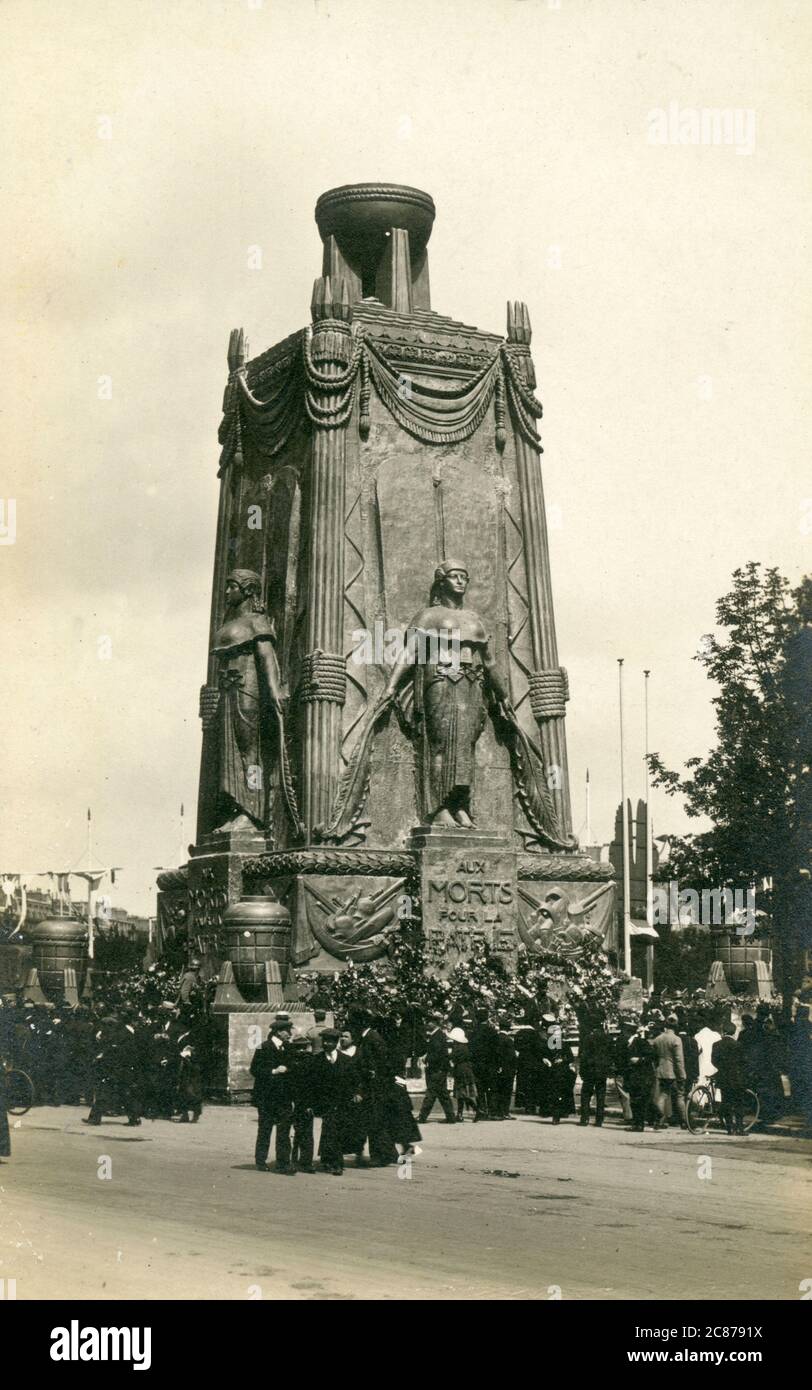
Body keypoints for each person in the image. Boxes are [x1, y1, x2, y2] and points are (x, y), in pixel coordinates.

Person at [250, 1017, 296, 1174]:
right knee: (265, 1129)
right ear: (278, 1032)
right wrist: (273, 1071)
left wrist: (288, 1070)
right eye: (287, 1031)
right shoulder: (264, 1047)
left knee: (284, 1130)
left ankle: (283, 1163)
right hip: (267, 1097)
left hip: (284, 1097)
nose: (290, 1033)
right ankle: (261, 1161)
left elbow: (293, 1067)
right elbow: (254, 1070)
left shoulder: (289, 1048)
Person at [352, 1009, 398, 1165]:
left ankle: (379, 1156)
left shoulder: (372, 1037)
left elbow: (383, 1060)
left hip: (376, 1087)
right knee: (377, 1121)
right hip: (373, 1085)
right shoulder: (367, 1037)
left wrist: (375, 1073)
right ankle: (389, 1153)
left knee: (375, 1121)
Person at [313, 1028, 358, 1176]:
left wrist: (358, 1093)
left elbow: (355, 1080)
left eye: (331, 1041)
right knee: (332, 1130)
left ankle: (329, 1159)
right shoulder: (317, 1060)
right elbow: (311, 1083)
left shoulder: (346, 1060)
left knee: (335, 1131)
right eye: (325, 1041)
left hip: (343, 1102)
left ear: (336, 1042)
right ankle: (335, 1162)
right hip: (324, 1102)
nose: (327, 1043)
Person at [417, 1013, 457, 1123]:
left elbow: (437, 1054)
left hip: (436, 1069)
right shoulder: (438, 1035)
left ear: (434, 1023)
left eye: (429, 1022)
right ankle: (451, 1117)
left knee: (431, 1093)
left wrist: (426, 1058)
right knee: (442, 1094)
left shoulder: (437, 1036)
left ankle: (422, 1117)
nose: (427, 1024)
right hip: (440, 1069)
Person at [652, 1014, 688, 1129]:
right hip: (673, 1071)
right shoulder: (676, 1039)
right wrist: (682, 1074)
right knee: (680, 1095)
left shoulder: (658, 1039)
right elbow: (679, 1059)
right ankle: (684, 1121)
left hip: (661, 1070)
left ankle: (659, 1119)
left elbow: (654, 1056)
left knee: (663, 1094)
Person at [288, 1035, 317, 1172]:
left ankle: (306, 1161)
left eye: (302, 1048)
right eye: (297, 1048)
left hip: (305, 1102)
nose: (300, 1051)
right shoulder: (290, 1061)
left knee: (306, 1133)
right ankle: (293, 1159)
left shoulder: (311, 1062)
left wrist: (311, 1104)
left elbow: (313, 1086)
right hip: (292, 1101)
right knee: (295, 1132)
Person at [578, 1018, 615, 1127]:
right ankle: (599, 1120)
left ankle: (584, 1118)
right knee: (601, 1094)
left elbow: (583, 1055)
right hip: (602, 1069)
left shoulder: (588, 1038)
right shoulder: (607, 1038)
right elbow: (611, 1054)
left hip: (590, 1069)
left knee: (586, 1094)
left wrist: (582, 1070)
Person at [711, 1025, 745, 1135]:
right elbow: (743, 1061)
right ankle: (740, 1128)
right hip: (736, 1077)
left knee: (726, 1102)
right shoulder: (738, 1045)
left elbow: (714, 1061)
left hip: (723, 1077)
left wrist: (722, 1068)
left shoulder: (716, 1045)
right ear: (734, 1032)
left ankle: (729, 1128)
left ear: (723, 1031)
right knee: (739, 1102)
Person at [624, 1023, 657, 1130]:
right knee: (636, 1100)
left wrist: (639, 1060)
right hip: (635, 1075)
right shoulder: (633, 1041)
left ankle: (639, 1123)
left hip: (640, 1075)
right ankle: (638, 1122)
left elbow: (651, 1056)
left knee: (638, 1100)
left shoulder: (640, 1042)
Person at [469, 1009, 500, 1120]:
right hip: (490, 1064)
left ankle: (482, 1110)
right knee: (491, 1088)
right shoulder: (492, 1031)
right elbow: (497, 1049)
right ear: (487, 1018)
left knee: (480, 1089)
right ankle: (493, 1111)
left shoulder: (473, 1033)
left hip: (477, 1064)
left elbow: (471, 1050)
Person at [449, 1021, 478, 1121]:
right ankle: (460, 1114)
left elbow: (452, 1058)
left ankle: (476, 1109)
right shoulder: (465, 1047)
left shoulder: (457, 1048)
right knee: (462, 1093)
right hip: (466, 1070)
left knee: (461, 1093)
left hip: (460, 1070)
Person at [492, 1017, 518, 1120]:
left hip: (497, 1068)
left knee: (497, 1090)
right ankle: (505, 1112)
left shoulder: (495, 1038)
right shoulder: (509, 1040)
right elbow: (512, 1057)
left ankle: (497, 1111)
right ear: (508, 1029)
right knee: (506, 1091)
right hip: (508, 1069)